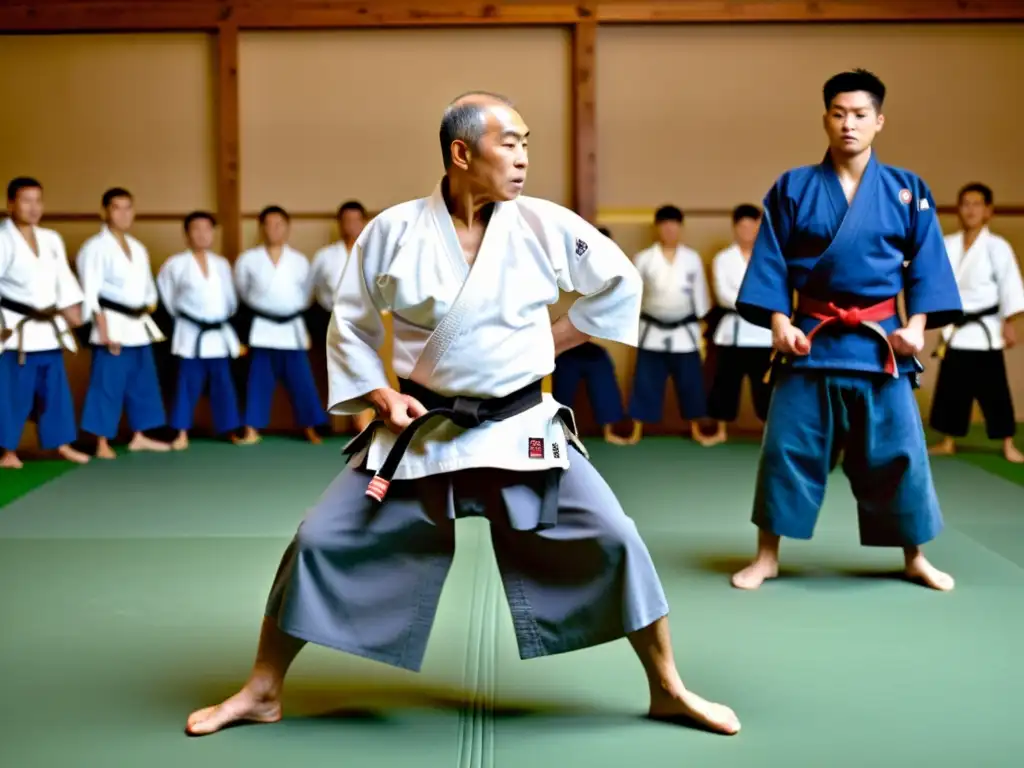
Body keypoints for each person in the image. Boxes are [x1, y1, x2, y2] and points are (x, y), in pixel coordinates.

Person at [185, 91, 740, 738]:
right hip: (424, 431)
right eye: (510, 143)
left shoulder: (542, 224)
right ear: (461, 152)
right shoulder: (393, 231)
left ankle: (668, 687)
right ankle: (261, 689)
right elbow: (353, 326)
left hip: (519, 427)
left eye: (526, 143)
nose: (523, 158)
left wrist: (551, 340)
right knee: (319, 540)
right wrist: (378, 395)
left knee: (614, 536)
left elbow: (620, 285)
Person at [729, 69, 963, 592]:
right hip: (810, 339)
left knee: (900, 451)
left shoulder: (908, 189)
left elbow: (927, 264)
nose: (848, 124)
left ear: (878, 121)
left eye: (859, 114)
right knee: (786, 449)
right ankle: (767, 556)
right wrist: (779, 320)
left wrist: (917, 325)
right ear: (825, 119)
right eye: (838, 114)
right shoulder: (793, 187)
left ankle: (914, 556)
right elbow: (771, 262)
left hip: (881, 343)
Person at [928, 183, 1024, 464]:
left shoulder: (997, 247)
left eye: (977, 204)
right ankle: (948, 440)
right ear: (958, 210)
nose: (970, 209)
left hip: (986, 329)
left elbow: (1010, 287)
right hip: (957, 330)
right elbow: (936, 281)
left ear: (988, 211)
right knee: (951, 389)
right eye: (965, 204)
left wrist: (1009, 323)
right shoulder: (948, 244)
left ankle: (1008, 444)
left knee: (995, 391)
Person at [0, 177, 90, 468]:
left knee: (55, 391)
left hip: (48, 329)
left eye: (38, 200)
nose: (33, 207)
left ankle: (61, 444)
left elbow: (63, 278)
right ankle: (8, 452)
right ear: (10, 203)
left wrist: (73, 313)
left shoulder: (51, 238)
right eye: (26, 200)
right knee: (13, 392)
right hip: (15, 330)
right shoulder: (2, 239)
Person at [76, 187, 170, 458]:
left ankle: (140, 435)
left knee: (143, 381)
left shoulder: (138, 248)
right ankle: (102, 441)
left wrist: (149, 304)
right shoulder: (94, 247)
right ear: (105, 211)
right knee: (107, 383)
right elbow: (89, 291)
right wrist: (104, 329)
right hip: (112, 321)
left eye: (128, 207)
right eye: (117, 207)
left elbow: (149, 287)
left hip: (138, 323)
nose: (124, 213)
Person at [232, 206, 328, 445]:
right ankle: (251, 428)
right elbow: (242, 291)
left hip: (291, 328)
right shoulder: (248, 260)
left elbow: (306, 295)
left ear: (287, 228)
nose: (274, 229)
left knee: (301, 380)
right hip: (262, 326)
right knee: (258, 381)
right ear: (261, 228)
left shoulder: (299, 260)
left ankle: (310, 427)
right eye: (269, 224)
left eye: (279, 224)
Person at [625, 206, 714, 446]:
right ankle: (636, 430)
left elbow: (701, 297)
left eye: (674, 225)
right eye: (664, 225)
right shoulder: (644, 258)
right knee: (645, 380)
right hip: (651, 329)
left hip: (684, 330)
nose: (669, 230)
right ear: (657, 228)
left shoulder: (691, 258)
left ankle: (696, 428)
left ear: (680, 228)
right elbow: (633, 296)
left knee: (691, 383)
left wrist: (702, 325)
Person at [156, 211, 244, 450]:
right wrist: (190, 318)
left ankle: (230, 429)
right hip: (191, 332)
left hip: (218, 333)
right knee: (187, 384)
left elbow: (231, 300)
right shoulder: (174, 265)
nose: (202, 234)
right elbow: (168, 300)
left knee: (223, 384)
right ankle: (181, 432)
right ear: (186, 235)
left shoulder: (222, 264)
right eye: (196, 229)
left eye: (207, 229)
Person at [550, 225, 628, 444]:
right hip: (558, 343)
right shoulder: (562, 269)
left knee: (601, 364)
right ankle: (558, 430)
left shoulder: (612, 275)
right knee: (563, 372)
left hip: (587, 342)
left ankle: (610, 427)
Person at [705, 205, 774, 444]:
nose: (747, 231)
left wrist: (748, 298)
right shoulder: (723, 259)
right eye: (742, 226)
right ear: (735, 228)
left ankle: (769, 432)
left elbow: (774, 293)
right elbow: (723, 295)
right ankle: (721, 430)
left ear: (759, 228)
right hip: (732, 332)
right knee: (725, 384)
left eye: (752, 226)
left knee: (765, 386)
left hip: (763, 334)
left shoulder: (771, 259)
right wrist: (753, 299)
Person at [309, 200, 373, 434]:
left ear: (364, 223)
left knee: (364, 369)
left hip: (367, 320)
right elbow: (311, 290)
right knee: (337, 372)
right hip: (331, 318)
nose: (351, 225)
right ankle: (338, 424)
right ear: (339, 223)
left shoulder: (375, 252)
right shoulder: (325, 256)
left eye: (356, 220)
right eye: (346, 220)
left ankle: (363, 422)